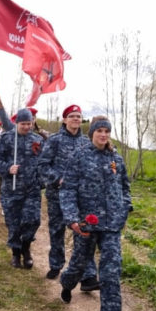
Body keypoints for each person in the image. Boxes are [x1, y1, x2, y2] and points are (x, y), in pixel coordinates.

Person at [58, 116, 132, 311]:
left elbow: (125, 187)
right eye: (99, 130)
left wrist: (125, 209)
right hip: (86, 224)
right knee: (79, 263)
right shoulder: (79, 156)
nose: (103, 135)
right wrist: (72, 218)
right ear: (91, 134)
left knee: (111, 270)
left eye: (106, 131)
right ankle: (67, 283)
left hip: (111, 225)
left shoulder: (116, 160)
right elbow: (67, 189)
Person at [38, 105, 99, 289]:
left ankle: (88, 277)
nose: (75, 119)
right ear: (64, 120)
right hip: (57, 194)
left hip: (79, 198)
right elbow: (42, 166)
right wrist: (58, 179)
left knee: (83, 233)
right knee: (57, 230)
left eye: (78, 116)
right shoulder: (55, 141)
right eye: (71, 116)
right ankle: (56, 265)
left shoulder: (86, 143)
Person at [0, 108, 43, 269]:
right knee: (14, 222)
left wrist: (42, 180)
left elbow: (44, 162)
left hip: (32, 189)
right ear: (17, 123)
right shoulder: (7, 138)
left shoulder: (38, 140)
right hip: (11, 188)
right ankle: (16, 252)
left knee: (33, 220)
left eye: (29, 123)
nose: (27, 127)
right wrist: (7, 168)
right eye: (23, 124)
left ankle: (26, 249)